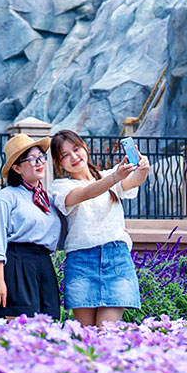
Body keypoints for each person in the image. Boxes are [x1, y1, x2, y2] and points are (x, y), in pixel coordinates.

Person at [49, 129, 150, 327]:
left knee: (108, 332)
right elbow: (86, 193)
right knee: (85, 333)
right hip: (82, 261)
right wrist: (114, 178)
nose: (74, 157)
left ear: (85, 147)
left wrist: (143, 169)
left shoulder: (109, 175)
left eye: (76, 149)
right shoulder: (60, 187)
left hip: (116, 258)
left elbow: (133, 181)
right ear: (59, 163)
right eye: (65, 156)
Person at [0, 132, 62, 318]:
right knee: (19, 324)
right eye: (32, 159)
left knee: (48, 324)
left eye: (41, 158)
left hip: (44, 264)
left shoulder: (48, 199)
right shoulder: (6, 197)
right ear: (17, 168)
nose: (40, 163)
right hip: (16, 263)